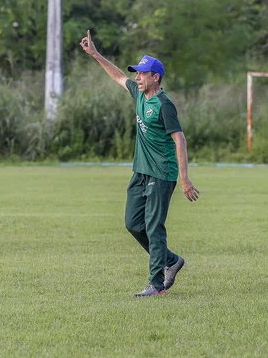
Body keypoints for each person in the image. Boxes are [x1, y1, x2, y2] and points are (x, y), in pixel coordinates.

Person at [80, 30, 199, 297]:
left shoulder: (164, 104)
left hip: (162, 172)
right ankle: (171, 260)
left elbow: (179, 140)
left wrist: (184, 178)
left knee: (154, 227)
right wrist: (95, 54)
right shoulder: (139, 94)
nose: (137, 77)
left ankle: (156, 284)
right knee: (133, 224)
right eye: (138, 73)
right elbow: (118, 76)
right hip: (141, 172)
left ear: (155, 77)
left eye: (143, 73)